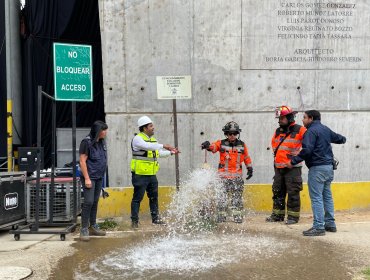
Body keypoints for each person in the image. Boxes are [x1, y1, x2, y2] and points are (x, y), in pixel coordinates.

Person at [287, 110, 346, 236]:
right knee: (327, 196)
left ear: (311, 118)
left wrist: (293, 161)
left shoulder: (310, 132)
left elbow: (307, 150)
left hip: (317, 169)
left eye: (304, 117)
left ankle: (319, 227)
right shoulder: (325, 129)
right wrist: (343, 139)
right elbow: (340, 139)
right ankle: (330, 224)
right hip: (329, 168)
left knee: (317, 198)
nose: (302, 120)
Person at [131, 116, 180, 228]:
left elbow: (158, 153)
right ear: (144, 128)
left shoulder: (153, 140)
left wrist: (171, 152)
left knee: (154, 197)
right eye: (151, 126)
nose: (153, 128)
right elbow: (147, 147)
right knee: (137, 198)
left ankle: (155, 218)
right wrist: (165, 145)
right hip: (140, 174)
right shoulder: (138, 139)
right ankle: (134, 221)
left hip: (152, 174)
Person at [201, 121, 253, 223]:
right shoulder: (221, 143)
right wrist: (207, 145)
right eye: (230, 133)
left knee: (237, 199)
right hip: (223, 178)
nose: (232, 136)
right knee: (222, 198)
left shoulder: (242, 145)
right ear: (226, 134)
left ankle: (237, 217)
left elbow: (246, 157)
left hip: (237, 178)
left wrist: (250, 168)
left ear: (237, 133)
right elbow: (213, 147)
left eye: (234, 133)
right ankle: (221, 217)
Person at [266, 106, 307, 224]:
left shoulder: (301, 130)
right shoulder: (278, 131)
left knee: (293, 192)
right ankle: (277, 215)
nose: (279, 121)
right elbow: (274, 144)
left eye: (282, 118)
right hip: (279, 168)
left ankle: (293, 217)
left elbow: (309, 144)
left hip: (293, 168)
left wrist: (297, 154)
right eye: (279, 118)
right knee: (278, 191)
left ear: (289, 118)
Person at [79, 120, 108, 241]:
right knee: (89, 202)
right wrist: (87, 178)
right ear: (98, 131)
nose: (106, 132)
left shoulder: (101, 142)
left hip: (99, 177)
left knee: (95, 201)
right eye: (104, 130)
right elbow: (82, 161)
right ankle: (84, 228)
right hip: (89, 177)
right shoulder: (86, 142)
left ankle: (93, 226)